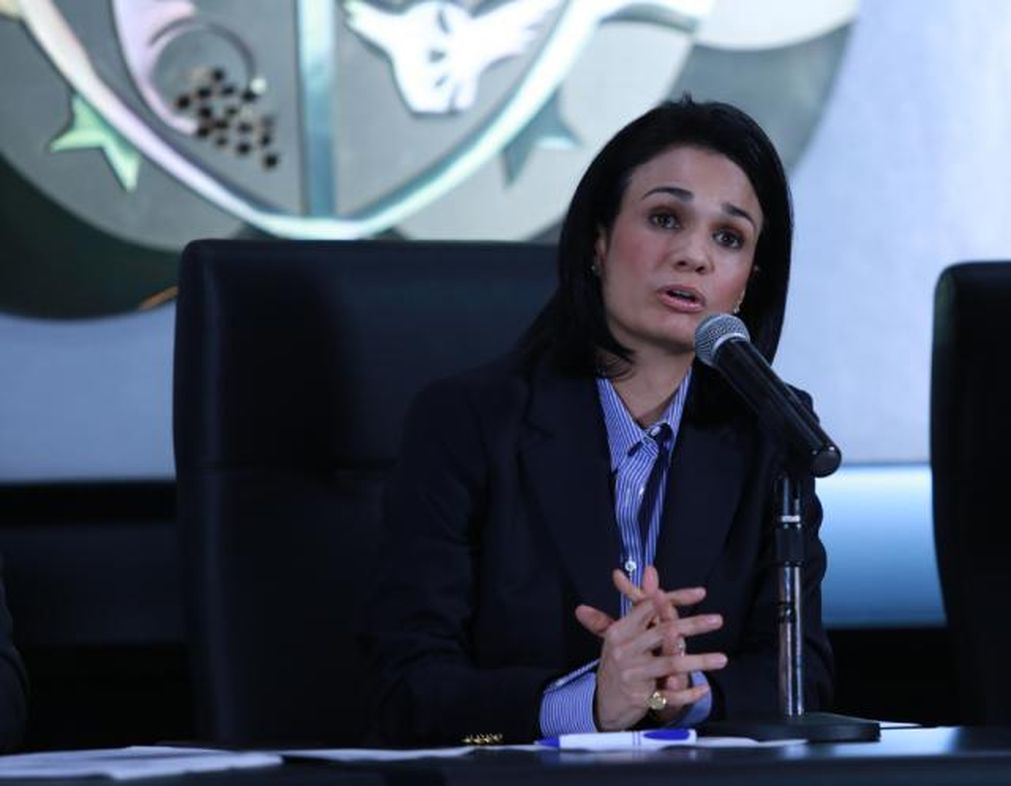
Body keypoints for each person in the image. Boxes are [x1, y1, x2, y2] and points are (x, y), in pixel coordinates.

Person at [366, 96, 833, 746]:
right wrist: (588, 704)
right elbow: (408, 688)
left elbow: (801, 675)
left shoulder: (769, 431)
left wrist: (683, 696)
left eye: (728, 237)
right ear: (598, 239)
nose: (694, 255)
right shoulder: (468, 423)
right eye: (665, 218)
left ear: (748, 282)